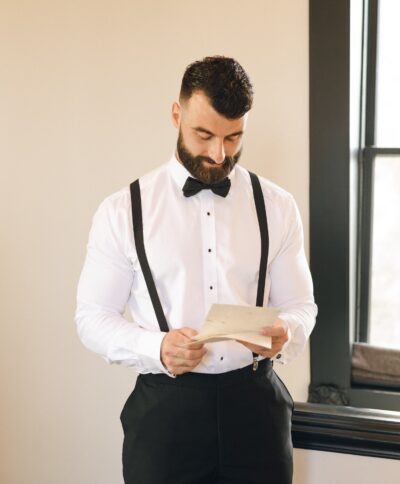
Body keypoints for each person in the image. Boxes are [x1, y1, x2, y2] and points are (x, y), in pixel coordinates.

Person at [75, 55, 317, 484]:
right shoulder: (122, 211)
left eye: (234, 137)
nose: (218, 153)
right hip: (166, 417)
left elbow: (301, 305)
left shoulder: (277, 207)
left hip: (257, 409)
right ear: (176, 114)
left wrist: (287, 332)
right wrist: (157, 347)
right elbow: (92, 318)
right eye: (204, 135)